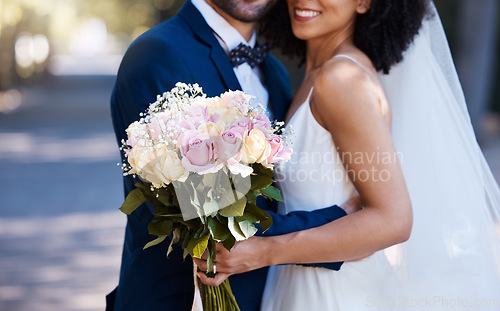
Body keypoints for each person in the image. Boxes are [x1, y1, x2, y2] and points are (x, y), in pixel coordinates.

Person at [194, 0, 500, 309]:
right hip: (294, 284)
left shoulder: (340, 80)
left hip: (332, 294)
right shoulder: (318, 75)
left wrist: (264, 251)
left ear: (365, 3)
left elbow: (394, 220)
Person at [107, 0, 361, 310]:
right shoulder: (156, 53)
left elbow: (277, 192)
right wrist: (341, 226)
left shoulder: (274, 72)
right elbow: (203, 208)